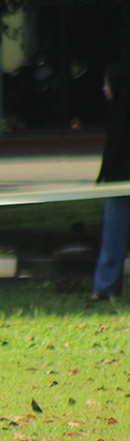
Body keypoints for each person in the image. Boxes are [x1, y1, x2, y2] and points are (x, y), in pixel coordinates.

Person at [91, 64, 130, 300]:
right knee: (112, 239)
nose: (104, 89)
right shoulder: (116, 113)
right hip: (118, 186)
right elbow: (111, 153)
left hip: (120, 183)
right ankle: (105, 288)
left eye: (107, 83)